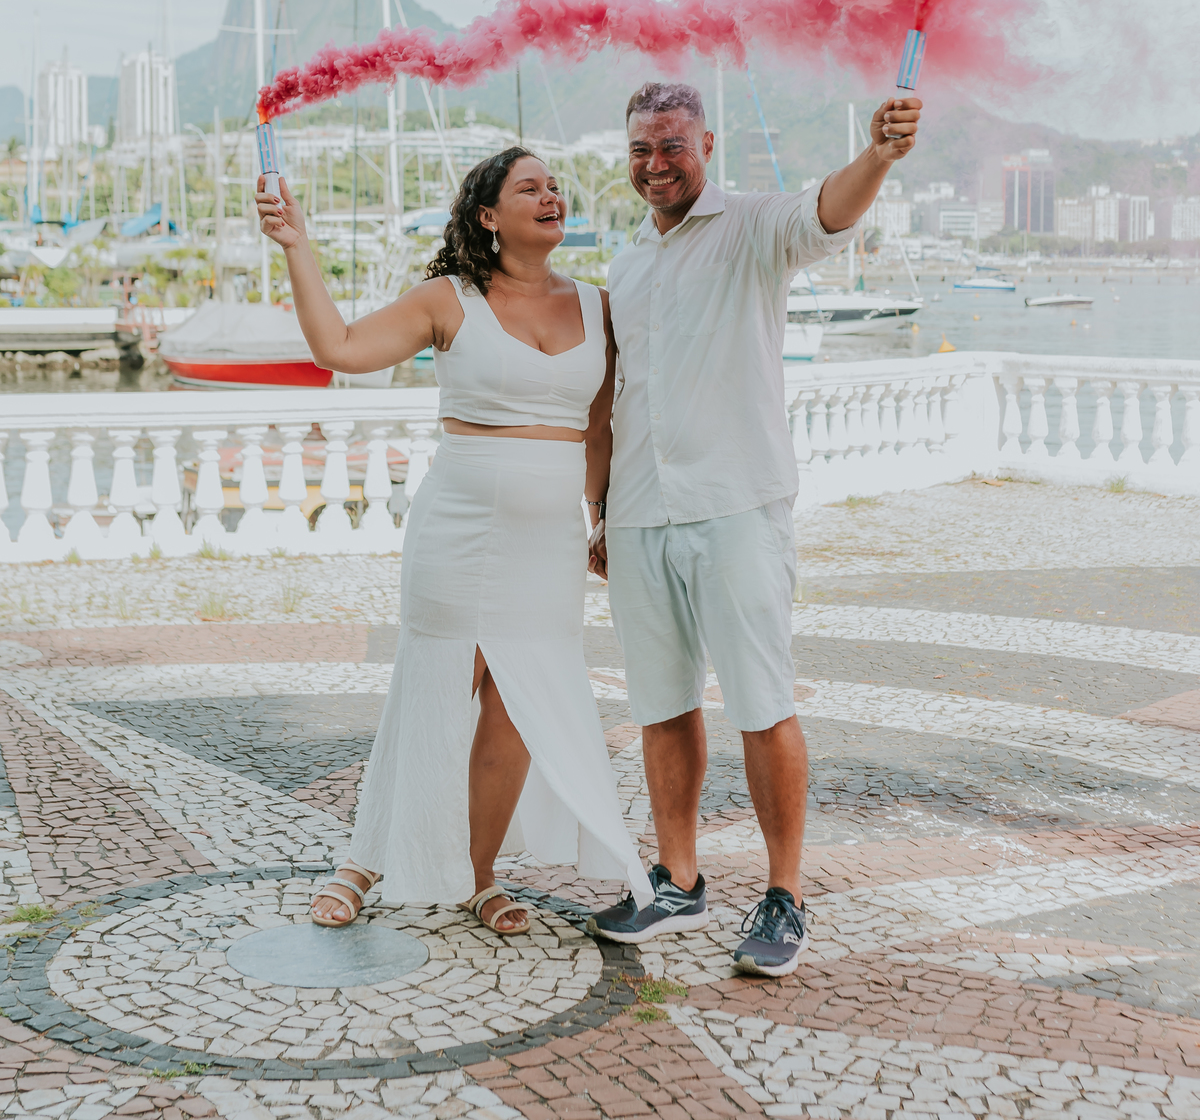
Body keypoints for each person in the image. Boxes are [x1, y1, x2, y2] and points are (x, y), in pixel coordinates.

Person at [256, 146, 652, 934]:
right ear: (488, 214)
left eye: (555, 187)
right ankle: (364, 860)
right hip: (460, 532)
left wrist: (601, 513)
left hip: (547, 544)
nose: (551, 196)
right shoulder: (449, 298)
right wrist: (298, 245)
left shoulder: (601, 307)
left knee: (518, 706)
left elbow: (599, 428)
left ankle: (477, 874)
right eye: (529, 188)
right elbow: (339, 348)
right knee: (436, 690)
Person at [586, 80, 921, 976]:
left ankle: (784, 895)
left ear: (707, 146)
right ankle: (678, 880)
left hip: (737, 505)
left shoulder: (754, 227)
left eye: (672, 145)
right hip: (641, 512)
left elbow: (828, 209)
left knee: (762, 703)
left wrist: (879, 154)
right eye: (641, 149)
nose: (656, 164)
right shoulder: (627, 264)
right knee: (661, 705)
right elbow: (620, 398)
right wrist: (603, 513)